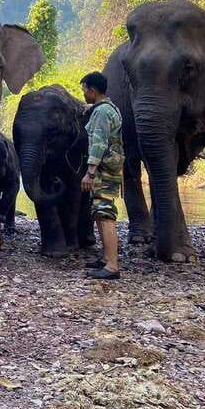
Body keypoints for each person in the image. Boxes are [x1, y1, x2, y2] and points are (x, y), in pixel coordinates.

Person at [80, 71, 125, 280]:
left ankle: (112, 266)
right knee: (100, 212)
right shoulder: (109, 108)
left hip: (102, 170)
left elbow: (98, 144)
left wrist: (89, 172)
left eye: (84, 90)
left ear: (92, 90)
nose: (83, 94)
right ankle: (106, 258)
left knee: (106, 215)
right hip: (108, 168)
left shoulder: (102, 112)